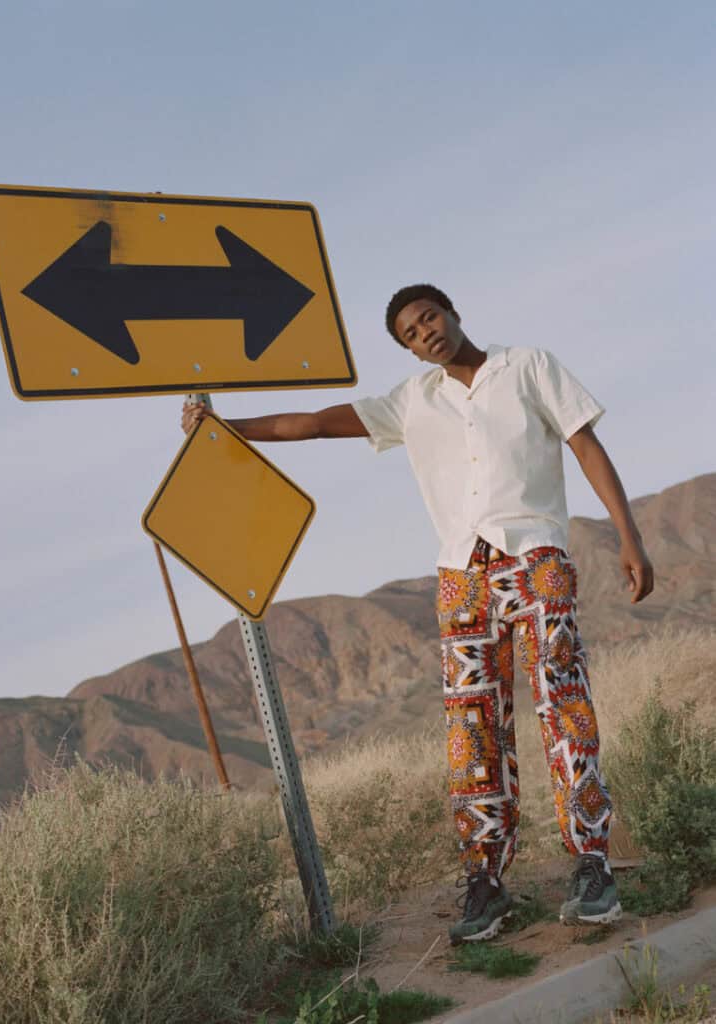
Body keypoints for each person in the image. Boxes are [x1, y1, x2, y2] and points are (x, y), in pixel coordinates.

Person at [181, 283, 654, 944]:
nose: (423, 333)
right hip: (461, 578)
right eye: (408, 332)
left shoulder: (528, 366)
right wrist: (225, 426)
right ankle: (485, 879)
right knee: (472, 732)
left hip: (536, 560)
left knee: (562, 706)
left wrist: (627, 537)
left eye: (427, 317)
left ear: (453, 312)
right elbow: (315, 423)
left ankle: (592, 864)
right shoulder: (412, 401)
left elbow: (585, 447)